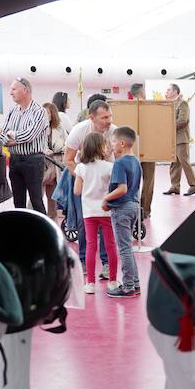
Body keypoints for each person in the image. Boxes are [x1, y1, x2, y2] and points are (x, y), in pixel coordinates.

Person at [65, 99, 116, 274]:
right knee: (83, 221)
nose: (108, 121)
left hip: (106, 180)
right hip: (83, 178)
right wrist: (83, 177)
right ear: (91, 117)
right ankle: (84, 261)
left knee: (107, 222)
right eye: (104, 117)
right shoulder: (79, 131)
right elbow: (68, 160)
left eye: (110, 116)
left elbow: (121, 161)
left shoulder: (114, 132)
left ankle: (107, 263)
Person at [73, 131, 116, 295]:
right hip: (106, 211)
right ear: (100, 147)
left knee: (91, 246)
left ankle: (90, 283)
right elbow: (114, 188)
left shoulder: (81, 168)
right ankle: (112, 281)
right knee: (110, 245)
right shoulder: (109, 167)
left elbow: (77, 191)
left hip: (89, 212)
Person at [103, 125, 142, 298]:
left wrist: (106, 199)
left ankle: (127, 287)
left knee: (124, 248)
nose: (111, 145)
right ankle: (135, 282)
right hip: (134, 206)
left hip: (122, 208)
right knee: (128, 247)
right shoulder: (136, 162)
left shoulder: (119, 163)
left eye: (113, 142)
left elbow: (122, 188)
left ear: (122, 143)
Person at [1, 77, 49, 210]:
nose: (11, 92)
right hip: (15, 160)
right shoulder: (12, 111)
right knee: (18, 202)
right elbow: (2, 134)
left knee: (36, 200)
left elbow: (30, 135)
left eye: (14, 89)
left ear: (25, 90)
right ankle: (21, 229)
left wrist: (12, 135)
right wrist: (9, 138)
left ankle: (42, 230)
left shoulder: (39, 111)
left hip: (33, 161)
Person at [162, 83, 195, 196]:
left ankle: (193, 186)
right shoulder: (170, 105)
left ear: (175, 92)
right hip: (173, 139)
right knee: (174, 164)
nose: (166, 92)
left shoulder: (182, 103)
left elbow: (183, 121)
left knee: (184, 162)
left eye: (168, 90)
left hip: (181, 138)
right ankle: (175, 187)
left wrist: (169, 126)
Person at [128, 83, 156, 220]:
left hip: (131, 149)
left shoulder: (126, 108)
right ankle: (145, 211)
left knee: (132, 181)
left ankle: (133, 210)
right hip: (150, 148)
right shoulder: (151, 108)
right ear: (142, 92)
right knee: (148, 181)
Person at [42, 101, 67, 219]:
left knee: (52, 200)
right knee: (35, 199)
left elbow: (67, 144)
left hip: (55, 165)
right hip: (42, 166)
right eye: (44, 113)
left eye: (48, 113)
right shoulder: (37, 128)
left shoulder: (60, 128)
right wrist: (44, 151)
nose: (46, 115)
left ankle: (52, 225)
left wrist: (60, 149)